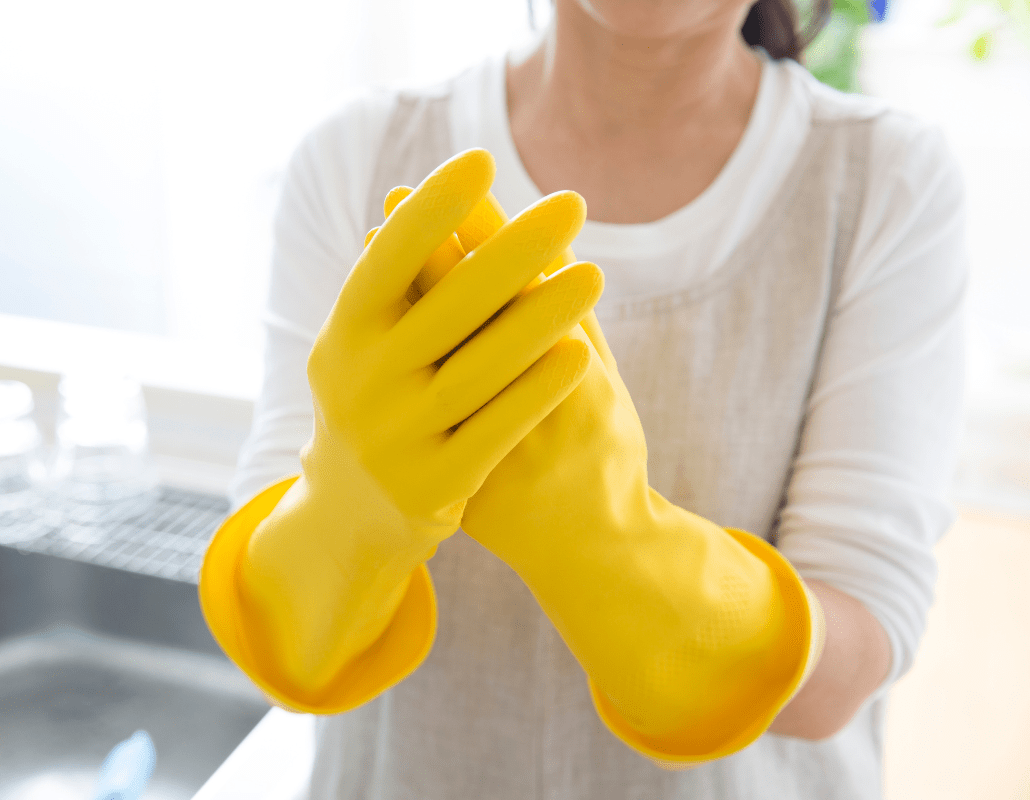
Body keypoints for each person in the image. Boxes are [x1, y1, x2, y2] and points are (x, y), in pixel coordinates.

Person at [200, 0, 967, 797]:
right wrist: (354, 503)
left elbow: (847, 662)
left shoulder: (884, 178)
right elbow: (281, 640)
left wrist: (606, 537)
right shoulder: (357, 153)